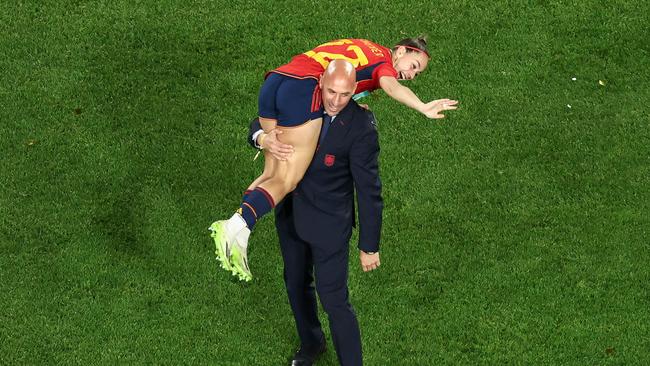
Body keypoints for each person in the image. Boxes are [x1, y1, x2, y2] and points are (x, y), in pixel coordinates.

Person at [210, 37, 458, 281]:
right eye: (413, 66)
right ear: (401, 51)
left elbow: (340, 75)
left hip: (277, 81)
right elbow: (391, 86)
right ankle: (233, 227)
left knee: (271, 173)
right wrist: (422, 106)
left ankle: (239, 234)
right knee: (288, 179)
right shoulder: (384, 63)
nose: (412, 75)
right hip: (305, 89)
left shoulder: (366, 46)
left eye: (417, 74)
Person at [250, 60, 380, 366]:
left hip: (329, 225)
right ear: (320, 81)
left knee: (334, 300)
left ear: (355, 92)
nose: (335, 100)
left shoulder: (361, 127)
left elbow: (369, 189)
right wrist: (263, 138)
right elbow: (258, 122)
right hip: (290, 214)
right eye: (331, 91)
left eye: (345, 94)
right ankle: (312, 343)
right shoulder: (300, 103)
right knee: (295, 282)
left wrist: (369, 245)